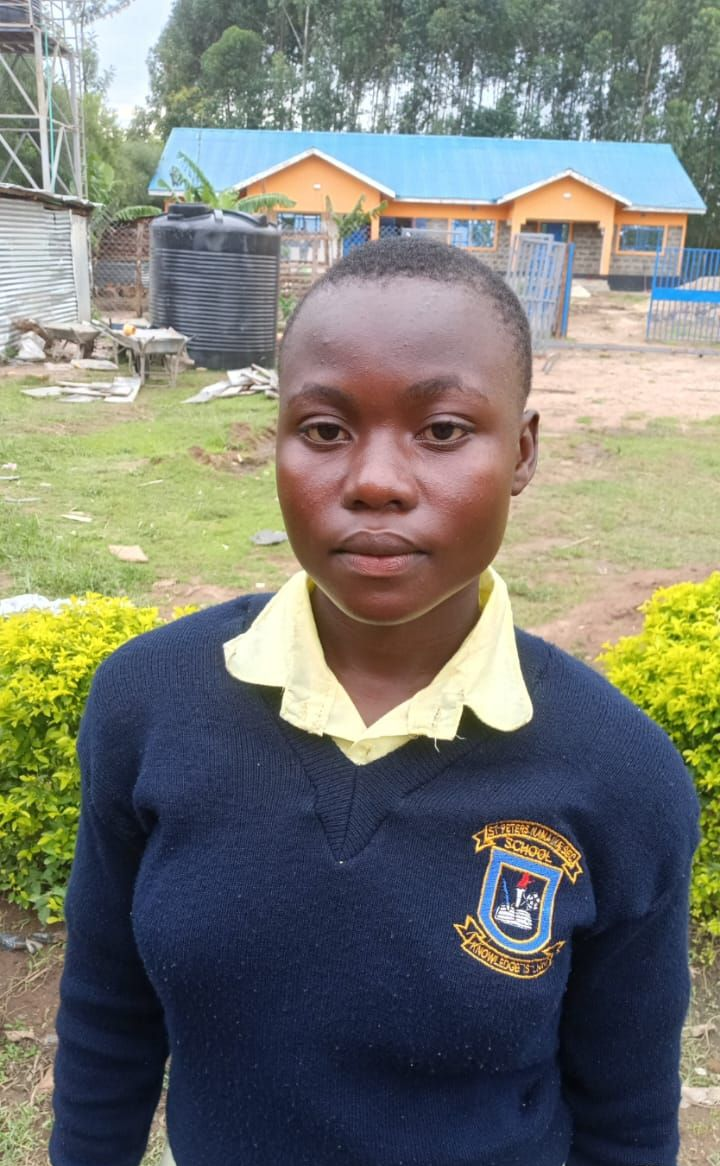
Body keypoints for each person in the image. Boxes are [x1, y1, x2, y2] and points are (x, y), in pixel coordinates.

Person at [50, 237, 698, 1166]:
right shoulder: (146, 706)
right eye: (324, 429)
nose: (376, 482)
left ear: (522, 452)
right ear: (274, 441)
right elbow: (109, 1013)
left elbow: (628, 1119)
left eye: (442, 431)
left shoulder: (621, 781)